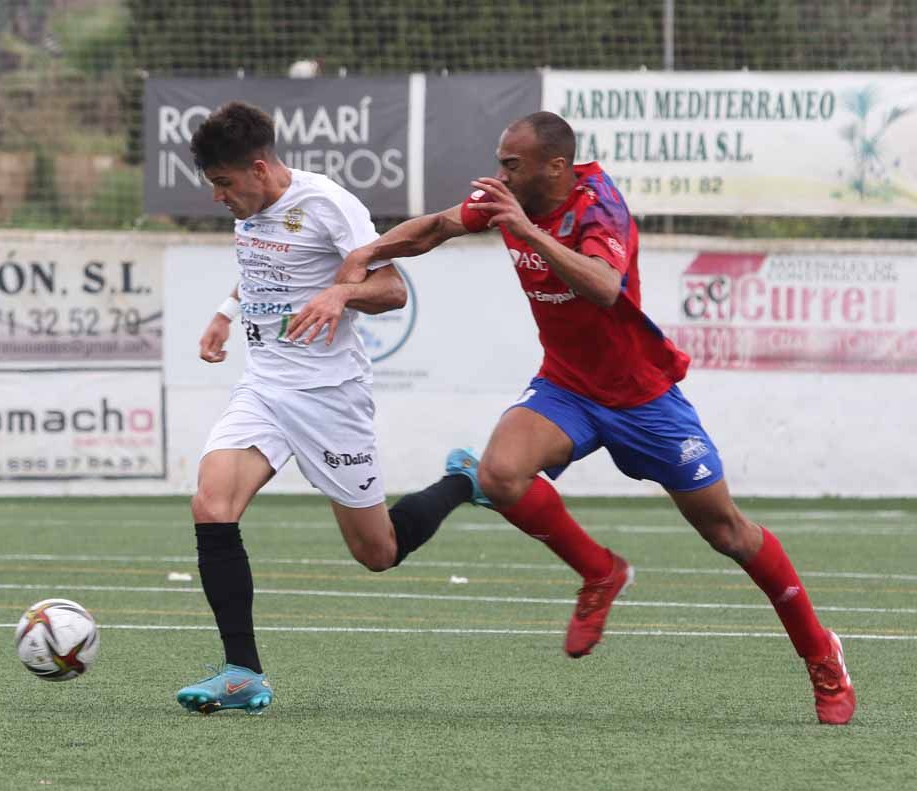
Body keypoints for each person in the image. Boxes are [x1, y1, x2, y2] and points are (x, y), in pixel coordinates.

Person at [297, 110, 855, 725]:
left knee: (727, 533)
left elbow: (605, 287)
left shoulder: (598, 206)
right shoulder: (510, 199)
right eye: (501, 161)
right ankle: (600, 571)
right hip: (566, 387)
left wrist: (527, 232)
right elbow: (435, 227)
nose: (501, 173)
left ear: (555, 167)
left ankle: (820, 653)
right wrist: (366, 254)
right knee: (500, 474)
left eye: (514, 164)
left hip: (643, 397)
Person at [175, 102, 476, 715]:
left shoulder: (327, 205)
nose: (218, 198)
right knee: (211, 503)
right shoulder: (250, 208)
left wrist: (342, 291)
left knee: (377, 552)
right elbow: (259, 268)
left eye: (224, 184)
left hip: (329, 396)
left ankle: (462, 481)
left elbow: (390, 289)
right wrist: (225, 314)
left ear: (260, 169)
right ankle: (242, 673)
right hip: (263, 386)